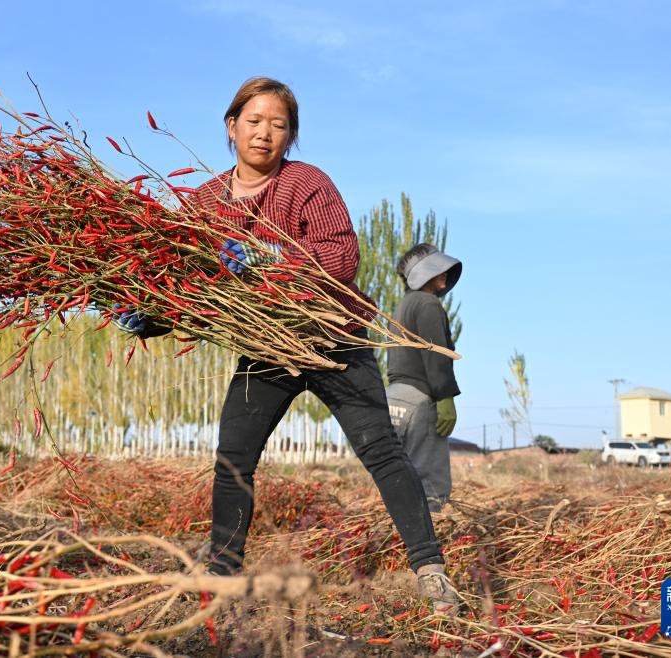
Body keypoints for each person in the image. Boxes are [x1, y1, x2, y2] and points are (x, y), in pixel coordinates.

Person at [117, 77, 461, 613]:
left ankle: (431, 570)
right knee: (234, 456)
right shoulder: (206, 202)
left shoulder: (307, 184)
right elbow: (186, 287)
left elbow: (342, 256)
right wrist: (149, 316)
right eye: (254, 122)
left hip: (333, 341)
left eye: (278, 126)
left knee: (381, 451)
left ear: (291, 136)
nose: (265, 134)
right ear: (231, 127)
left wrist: (272, 259)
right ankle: (222, 574)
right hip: (269, 348)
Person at [386, 244, 462, 513]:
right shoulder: (428, 304)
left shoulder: (401, 307)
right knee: (430, 486)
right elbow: (436, 354)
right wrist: (445, 397)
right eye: (439, 269)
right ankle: (430, 548)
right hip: (419, 400)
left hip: (394, 398)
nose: (445, 275)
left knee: (401, 481)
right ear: (424, 274)